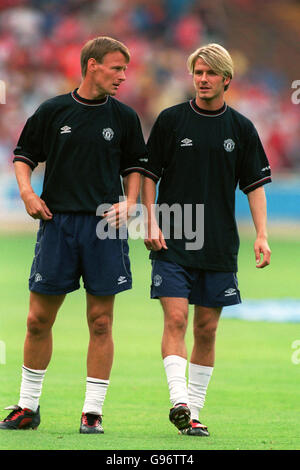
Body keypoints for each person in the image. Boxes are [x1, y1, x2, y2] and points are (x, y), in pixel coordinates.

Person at [0, 36, 151, 434]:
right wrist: (28, 193)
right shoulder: (53, 110)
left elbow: (136, 165)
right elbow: (23, 156)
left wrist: (131, 201)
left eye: (125, 69)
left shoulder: (125, 117)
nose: (123, 76)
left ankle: (93, 411)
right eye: (117, 67)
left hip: (104, 226)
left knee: (101, 322)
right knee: (37, 321)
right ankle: (27, 407)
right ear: (92, 65)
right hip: (58, 224)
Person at [141, 43, 272, 436]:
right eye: (197, 72)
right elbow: (148, 176)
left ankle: (192, 413)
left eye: (210, 73)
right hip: (172, 239)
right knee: (177, 318)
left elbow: (254, 186)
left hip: (218, 244)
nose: (202, 79)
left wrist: (262, 234)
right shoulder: (171, 121)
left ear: (226, 79)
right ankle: (179, 399)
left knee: (206, 330)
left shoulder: (242, 129)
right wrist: (149, 220)